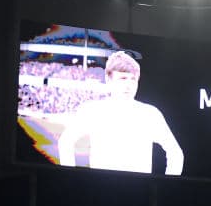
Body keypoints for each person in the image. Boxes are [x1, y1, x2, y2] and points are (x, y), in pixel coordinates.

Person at [56, 51, 184, 175]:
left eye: (133, 79)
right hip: (100, 186)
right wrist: (72, 180)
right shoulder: (93, 110)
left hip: (138, 188)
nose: (129, 85)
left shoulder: (150, 114)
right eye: (123, 78)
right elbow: (66, 141)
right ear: (108, 79)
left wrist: (166, 185)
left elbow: (175, 153)